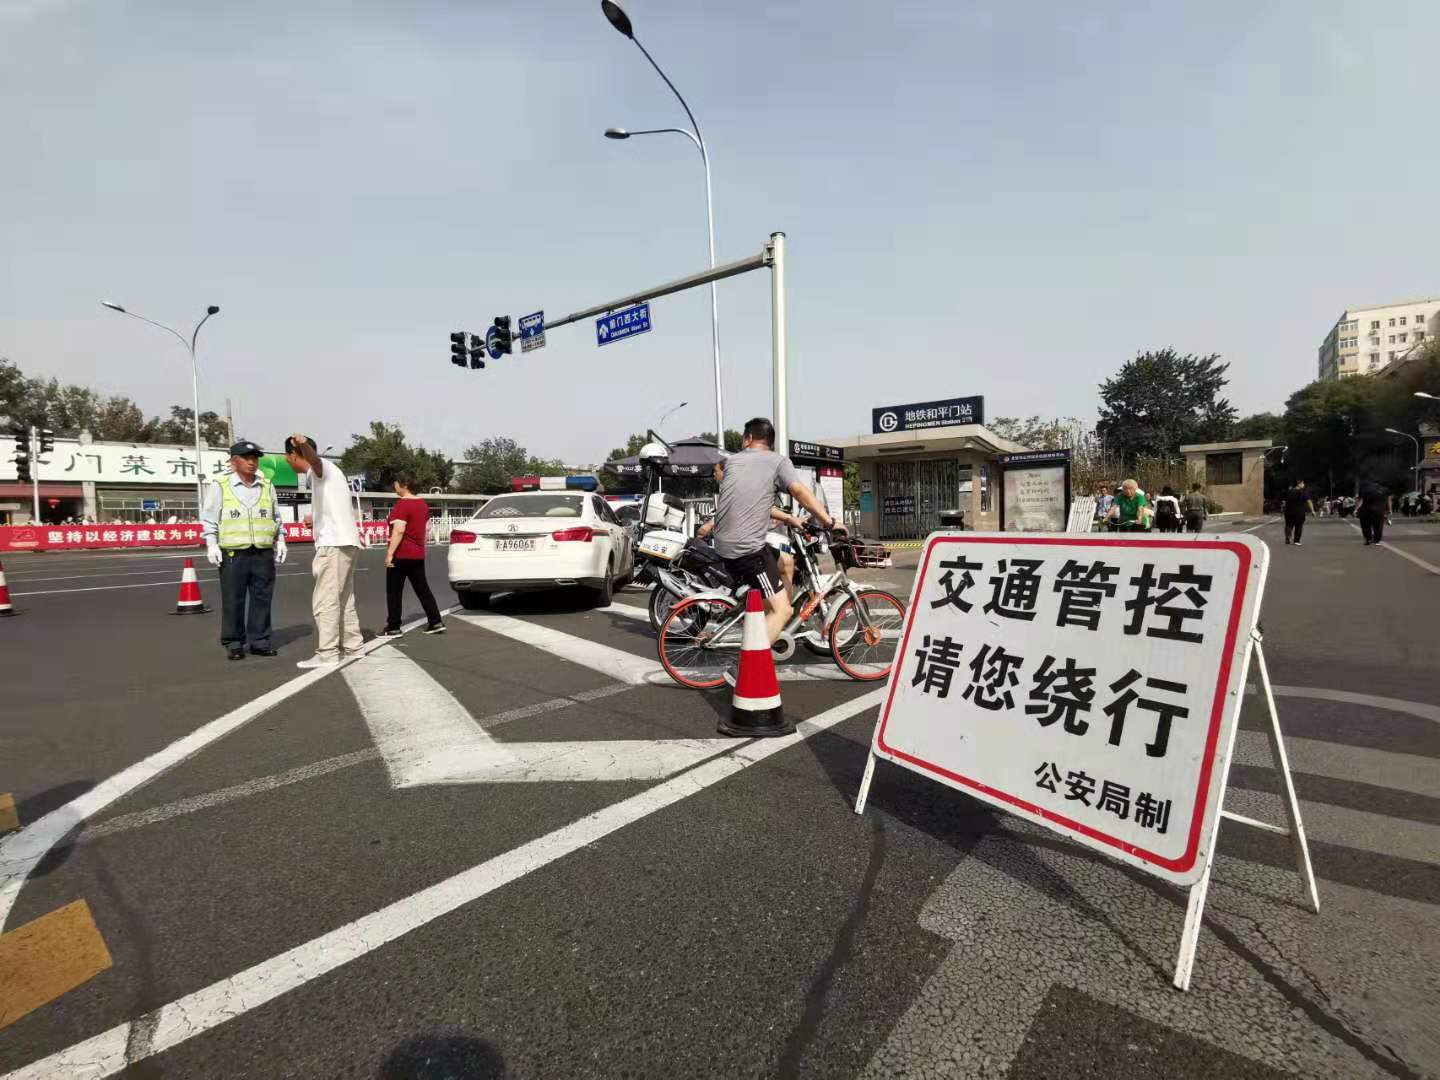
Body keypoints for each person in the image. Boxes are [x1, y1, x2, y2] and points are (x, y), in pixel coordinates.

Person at [711, 417, 839, 651]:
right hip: (746, 550)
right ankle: (745, 662)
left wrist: (790, 519)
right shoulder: (778, 462)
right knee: (784, 609)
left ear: (748, 439)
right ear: (770, 441)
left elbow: (756, 502)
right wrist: (829, 522)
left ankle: (775, 620)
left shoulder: (734, 462)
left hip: (723, 542)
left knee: (786, 562)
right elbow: (799, 491)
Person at [201, 440, 286, 660]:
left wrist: (281, 540)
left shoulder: (266, 485)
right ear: (233, 462)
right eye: (246, 458)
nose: (252, 462)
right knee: (233, 598)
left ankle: (259, 640)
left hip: (262, 552)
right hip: (233, 553)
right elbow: (210, 518)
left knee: (262, 598)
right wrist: (211, 543)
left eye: (255, 458)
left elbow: (276, 517)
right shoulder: (220, 485)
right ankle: (234, 642)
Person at [285, 434, 363, 667]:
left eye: (289, 457)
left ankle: (327, 652)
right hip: (346, 542)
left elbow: (315, 462)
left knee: (326, 600)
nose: (288, 462)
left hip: (334, 545)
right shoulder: (329, 475)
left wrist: (303, 446)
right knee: (344, 599)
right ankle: (353, 646)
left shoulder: (321, 468)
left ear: (293, 455)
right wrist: (315, 520)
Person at [381, 471, 444, 636]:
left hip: (401, 555)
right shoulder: (423, 504)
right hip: (417, 554)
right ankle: (436, 621)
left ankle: (394, 626)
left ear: (404, 485)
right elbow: (427, 529)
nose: (394, 485)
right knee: (423, 589)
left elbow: (399, 530)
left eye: (396, 483)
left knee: (394, 592)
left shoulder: (402, 505)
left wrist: (389, 553)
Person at [1282, 479, 1313, 546]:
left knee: (1288, 525)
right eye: (1303, 483)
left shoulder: (1289, 491)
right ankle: (1296, 541)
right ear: (1299, 484)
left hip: (1289, 511)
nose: (1303, 485)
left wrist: (1284, 508)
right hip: (1299, 512)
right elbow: (1309, 501)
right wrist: (1312, 511)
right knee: (1299, 526)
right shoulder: (1303, 492)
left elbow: (1284, 501)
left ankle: (1288, 538)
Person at [1357, 481, 1388, 546]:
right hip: (1379, 510)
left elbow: (1360, 500)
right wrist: (1386, 510)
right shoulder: (1384, 489)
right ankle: (1377, 540)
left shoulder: (1363, 489)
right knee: (1378, 526)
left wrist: (1356, 509)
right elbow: (1386, 500)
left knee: (1365, 525)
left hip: (1365, 509)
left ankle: (1368, 539)